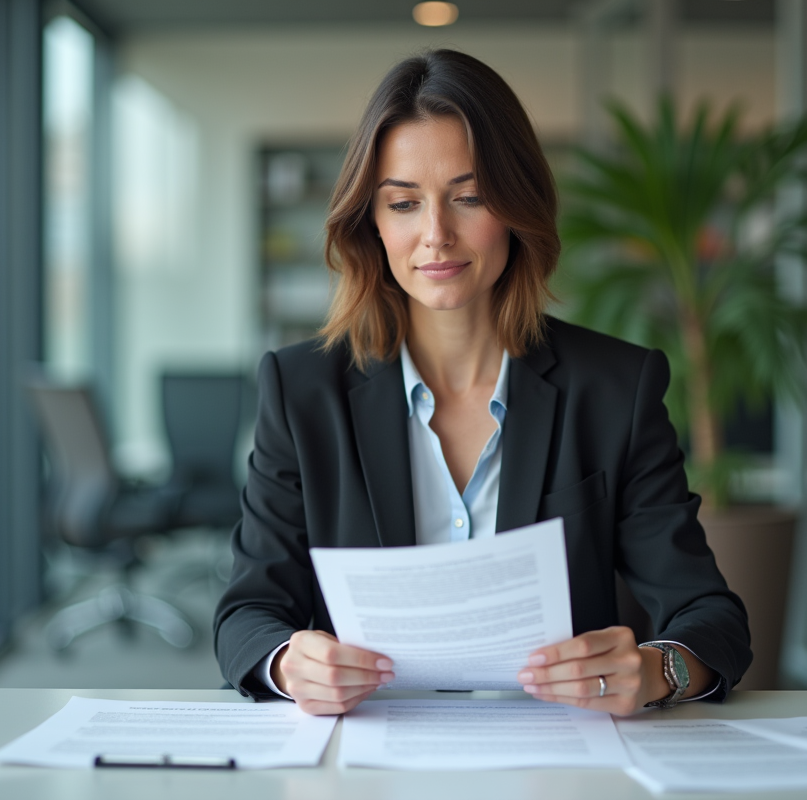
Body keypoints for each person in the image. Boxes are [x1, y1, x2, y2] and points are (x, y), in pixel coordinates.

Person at [214, 49, 751, 717]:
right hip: (364, 761)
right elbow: (246, 617)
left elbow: (712, 619)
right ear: (372, 224)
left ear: (517, 207)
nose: (436, 235)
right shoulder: (301, 391)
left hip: (560, 761)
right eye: (404, 203)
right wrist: (289, 664)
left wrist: (659, 668)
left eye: (468, 198)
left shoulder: (615, 388)